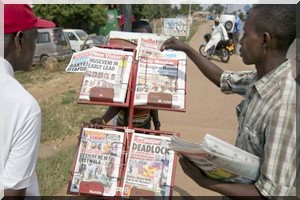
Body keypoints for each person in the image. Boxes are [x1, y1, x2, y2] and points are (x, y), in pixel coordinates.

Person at [160, 4, 295, 198]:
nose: (239, 41)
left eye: (246, 34)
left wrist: (205, 182)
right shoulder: (259, 80)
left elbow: (271, 195)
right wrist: (186, 49)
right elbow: (222, 79)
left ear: (265, 40)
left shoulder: (284, 106)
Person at [1, 4, 55, 197]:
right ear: (20, 39)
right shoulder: (24, 106)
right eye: (36, 36)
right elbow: (12, 193)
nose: (35, 46)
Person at [90, 20, 161, 131]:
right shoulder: (124, 67)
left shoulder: (151, 68)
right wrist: (103, 120)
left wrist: (156, 123)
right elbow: (119, 102)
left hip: (145, 127)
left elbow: (152, 101)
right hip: (122, 126)